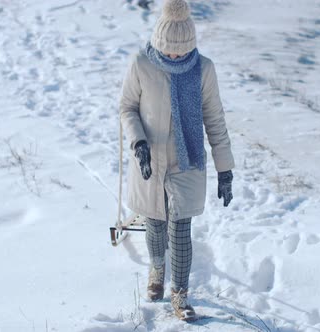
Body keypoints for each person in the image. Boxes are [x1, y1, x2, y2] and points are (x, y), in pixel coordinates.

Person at [119, 0, 235, 322]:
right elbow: (127, 107)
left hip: (188, 161)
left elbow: (214, 120)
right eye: (169, 51)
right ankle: (157, 269)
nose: (174, 57)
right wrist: (138, 141)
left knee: (180, 228)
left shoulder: (203, 69)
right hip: (150, 159)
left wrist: (226, 170)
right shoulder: (142, 63)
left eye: (181, 52)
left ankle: (180, 294)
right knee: (155, 223)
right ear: (159, 41)